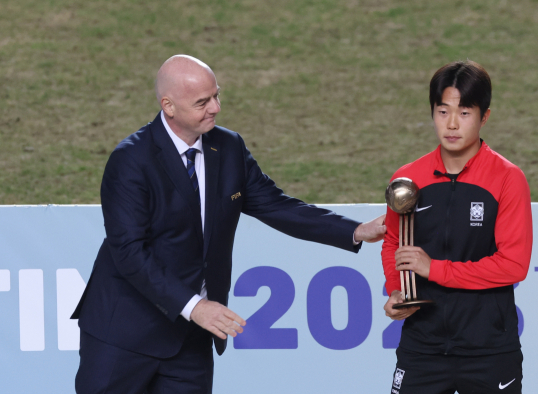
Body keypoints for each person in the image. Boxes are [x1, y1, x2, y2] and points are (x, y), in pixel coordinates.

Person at [71, 54, 386, 394]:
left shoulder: (229, 146)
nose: (216, 108)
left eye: (217, 95)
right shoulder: (130, 160)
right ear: (169, 106)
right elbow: (130, 253)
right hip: (123, 336)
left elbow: (275, 204)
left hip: (190, 341)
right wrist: (196, 307)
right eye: (202, 102)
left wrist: (354, 230)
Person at [382, 60, 533, 394]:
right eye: (442, 111)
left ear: (485, 116)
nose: (451, 124)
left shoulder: (508, 179)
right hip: (422, 347)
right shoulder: (408, 179)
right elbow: (393, 241)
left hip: (490, 350)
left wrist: (434, 269)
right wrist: (397, 290)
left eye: (464, 113)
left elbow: (513, 264)